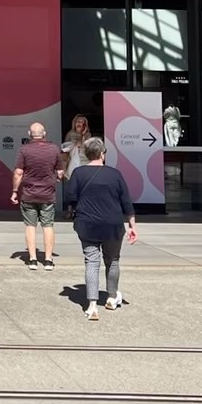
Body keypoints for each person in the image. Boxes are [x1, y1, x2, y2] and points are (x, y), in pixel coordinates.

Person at [64, 136, 138, 321]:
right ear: (103, 154)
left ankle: (91, 306)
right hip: (113, 225)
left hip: (87, 224)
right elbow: (126, 201)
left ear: (86, 154)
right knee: (113, 260)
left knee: (91, 262)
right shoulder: (115, 174)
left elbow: (70, 197)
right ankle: (112, 297)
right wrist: (132, 224)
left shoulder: (79, 173)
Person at [10, 122, 64, 269]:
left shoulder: (24, 149)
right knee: (48, 226)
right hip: (47, 194)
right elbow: (60, 172)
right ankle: (48, 260)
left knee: (30, 226)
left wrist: (15, 191)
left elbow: (18, 172)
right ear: (44, 134)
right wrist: (57, 178)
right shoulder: (54, 149)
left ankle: (33, 259)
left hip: (29, 194)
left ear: (29, 134)